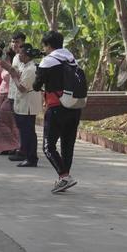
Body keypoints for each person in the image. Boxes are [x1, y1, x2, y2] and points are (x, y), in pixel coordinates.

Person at [33, 31, 82, 193]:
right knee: (68, 145)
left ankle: (64, 176)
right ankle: (65, 177)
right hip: (74, 107)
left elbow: (36, 85)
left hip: (56, 107)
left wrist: (38, 72)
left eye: (44, 46)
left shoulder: (47, 61)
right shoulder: (72, 59)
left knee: (48, 146)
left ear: (48, 45)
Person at [10, 44, 42, 167]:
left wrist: (14, 77)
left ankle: (31, 157)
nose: (19, 55)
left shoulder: (30, 69)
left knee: (28, 132)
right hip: (24, 104)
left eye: (22, 53)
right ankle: (29, 156)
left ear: (28, 56)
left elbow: (23, 88)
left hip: (28, 105)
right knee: (26, 131)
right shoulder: (26, 67)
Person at [0, 48, 20, 154]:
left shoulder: (14, 66)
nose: (4, 56)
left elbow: (17, 78)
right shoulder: (4, 66)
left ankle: (13, 145)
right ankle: (6, 147)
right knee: (5, 122)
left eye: (6, 54)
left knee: (2, 121)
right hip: (2, 96)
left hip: (9, 96)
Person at [0, 32, 26, 162]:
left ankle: (23, 149)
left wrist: (9, 68)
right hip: (11, 93)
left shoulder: (24, 57)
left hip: (19, 94)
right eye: (13, 42)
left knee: (20, 124)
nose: (15, 44)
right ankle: (17, 147)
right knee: (14, 123)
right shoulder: (14, 56)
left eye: (17, 42)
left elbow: (20, 74)